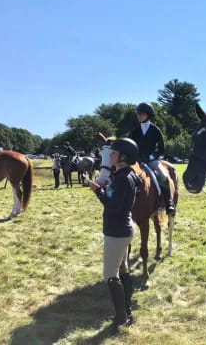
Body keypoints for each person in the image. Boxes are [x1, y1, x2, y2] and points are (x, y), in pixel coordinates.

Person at [89, 138, 140, 331]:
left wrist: (98, 191)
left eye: (114, 153)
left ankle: (121, 318)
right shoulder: (129, 175)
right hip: (124, 229)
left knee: (110, 275)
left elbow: (113, 205)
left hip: (117, 231)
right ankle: (126, 311)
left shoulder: (123, 178)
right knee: (124, 270)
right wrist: (107, 190)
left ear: (123, 157)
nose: (110, 155)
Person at [129, 102, 175, 215]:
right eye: (138, 114)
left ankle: (169, 202)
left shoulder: (155, 130)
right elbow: (130, 147)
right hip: (137, 161)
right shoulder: (134, 131)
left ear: (148, 115)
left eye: (142, 114)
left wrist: (151, 156)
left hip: (152, 160)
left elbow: (161, 149)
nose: (139, 116)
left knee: (163, 176)